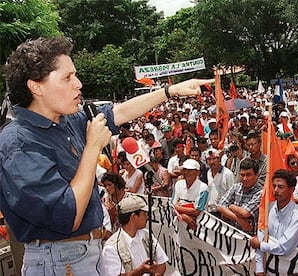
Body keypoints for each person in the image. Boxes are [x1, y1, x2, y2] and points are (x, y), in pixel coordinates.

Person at [0, 37, 212, 275]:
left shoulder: (68, 121)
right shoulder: (19, 142)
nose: (78, 84)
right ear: (36, 87)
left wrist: (170, 91)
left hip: (88, 251)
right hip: (59, 261)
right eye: (67, 77)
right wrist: (92, 148)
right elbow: (67, 215)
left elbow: (118, 112)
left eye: (75, 75)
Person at [250, 169, 298, 276]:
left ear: (291, 189)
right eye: (274, 186)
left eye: (281, 187)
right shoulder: (268, 208)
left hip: (288, 271)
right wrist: (259, 270)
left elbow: (284, 248)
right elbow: (260, 238)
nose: (276, 190)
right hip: (267, 269)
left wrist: (260, 245)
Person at [102, 195, 168, 276]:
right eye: (144, 214)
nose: (147, 217)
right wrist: (141, 271)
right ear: (133, 217)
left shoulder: (146, 235)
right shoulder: (111, 248)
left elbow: (162, 264)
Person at [217, 158, 263, 235]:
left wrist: (231, 206)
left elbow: (245, 213)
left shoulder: (260, 192)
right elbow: (220, 206)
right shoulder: (236, 187)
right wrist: (237, 219)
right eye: (242, 175)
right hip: (233, 235)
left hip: (250, 237)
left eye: (248, 175)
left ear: (256, 175)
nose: (245, 178)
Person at [171, 159, 209, 230]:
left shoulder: (203, 188)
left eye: (190, 170)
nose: (186, 173)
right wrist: (184, 216)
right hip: (179, 225)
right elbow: (172, 206)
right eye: (185, 170)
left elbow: (196, 212)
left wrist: (178, 208)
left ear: (197, 172)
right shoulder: (178, 184)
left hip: (197, 227)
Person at [205, 148, 234, 215]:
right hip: (210, 210)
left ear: (219, 159)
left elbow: (232, 194)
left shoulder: (227, 174)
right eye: (209, 159)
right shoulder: (208, 172)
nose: (212, 162)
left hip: (223, 211)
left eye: (214, 159)